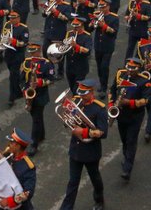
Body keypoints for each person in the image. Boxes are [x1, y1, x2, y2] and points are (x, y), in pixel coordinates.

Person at [59, 78, 107, 210]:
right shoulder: (76, 104)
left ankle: (99, 200)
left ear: (91, 92)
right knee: (73, 182)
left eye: (84, 94)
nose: (81, 96)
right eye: (80, 93)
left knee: (95, 178)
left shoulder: (100, 109)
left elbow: (103, 132)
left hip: (91, 151)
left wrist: (84, 132)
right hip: (76, 150)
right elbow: (67, 123)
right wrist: (66, 118)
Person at [108, 57, 151, 181]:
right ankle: (127, 156)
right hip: (121, 114)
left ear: (138, 69)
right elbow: (112, 90)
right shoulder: (120, 75)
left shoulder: (144, 81)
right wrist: (111, 105)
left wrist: (129, 102)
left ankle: (127, 168)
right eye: (128, 68)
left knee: (131, 140)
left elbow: (147, 100)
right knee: (124, 139)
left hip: (135, 115)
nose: (129, 71)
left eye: (132, 69)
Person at [21, 43, 55, 156]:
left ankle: (34, 144)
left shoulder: (47, 64)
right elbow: (21, 79)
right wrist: (24, 90)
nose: (31, 54)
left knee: (36, 119)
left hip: (41, 96)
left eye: (34, 52)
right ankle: (41, 135)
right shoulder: (26, 62)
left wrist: (40, 82)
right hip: (29, 94)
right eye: (30, 52)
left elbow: (51, 79)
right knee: (37, 117)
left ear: (39, 51)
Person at [0, 128, 37, 210]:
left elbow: (27, 193)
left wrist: (9, 201)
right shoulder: (8, 155)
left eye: (12, 143)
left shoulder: (28, 167)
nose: (9, 145)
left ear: (18, 146)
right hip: (1, 203)